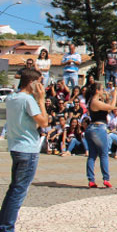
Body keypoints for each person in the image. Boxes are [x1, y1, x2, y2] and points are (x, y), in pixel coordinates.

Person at [0, 69, 48, 232]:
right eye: (40, 82)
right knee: (19, 190)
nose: (41, 85)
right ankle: (6, 227)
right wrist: (41, 100)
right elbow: (44, 122)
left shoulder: (11, 97)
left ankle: (4, 223)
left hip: (16, 146)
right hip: (28, 149)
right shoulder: (28, 100)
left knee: (14, 188)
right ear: (32, 83)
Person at [84, 83, 117, 188]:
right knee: (103, 155)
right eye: (102, 89)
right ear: (97, 91)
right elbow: (112, 107)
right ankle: (106, 179)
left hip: (91, 129)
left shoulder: (92, 101)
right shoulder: (95, 102)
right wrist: (115, 95)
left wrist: (108, 99)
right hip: (99, 129)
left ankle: (91, 180)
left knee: (92, 155)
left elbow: (106, 109)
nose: (104, 91)